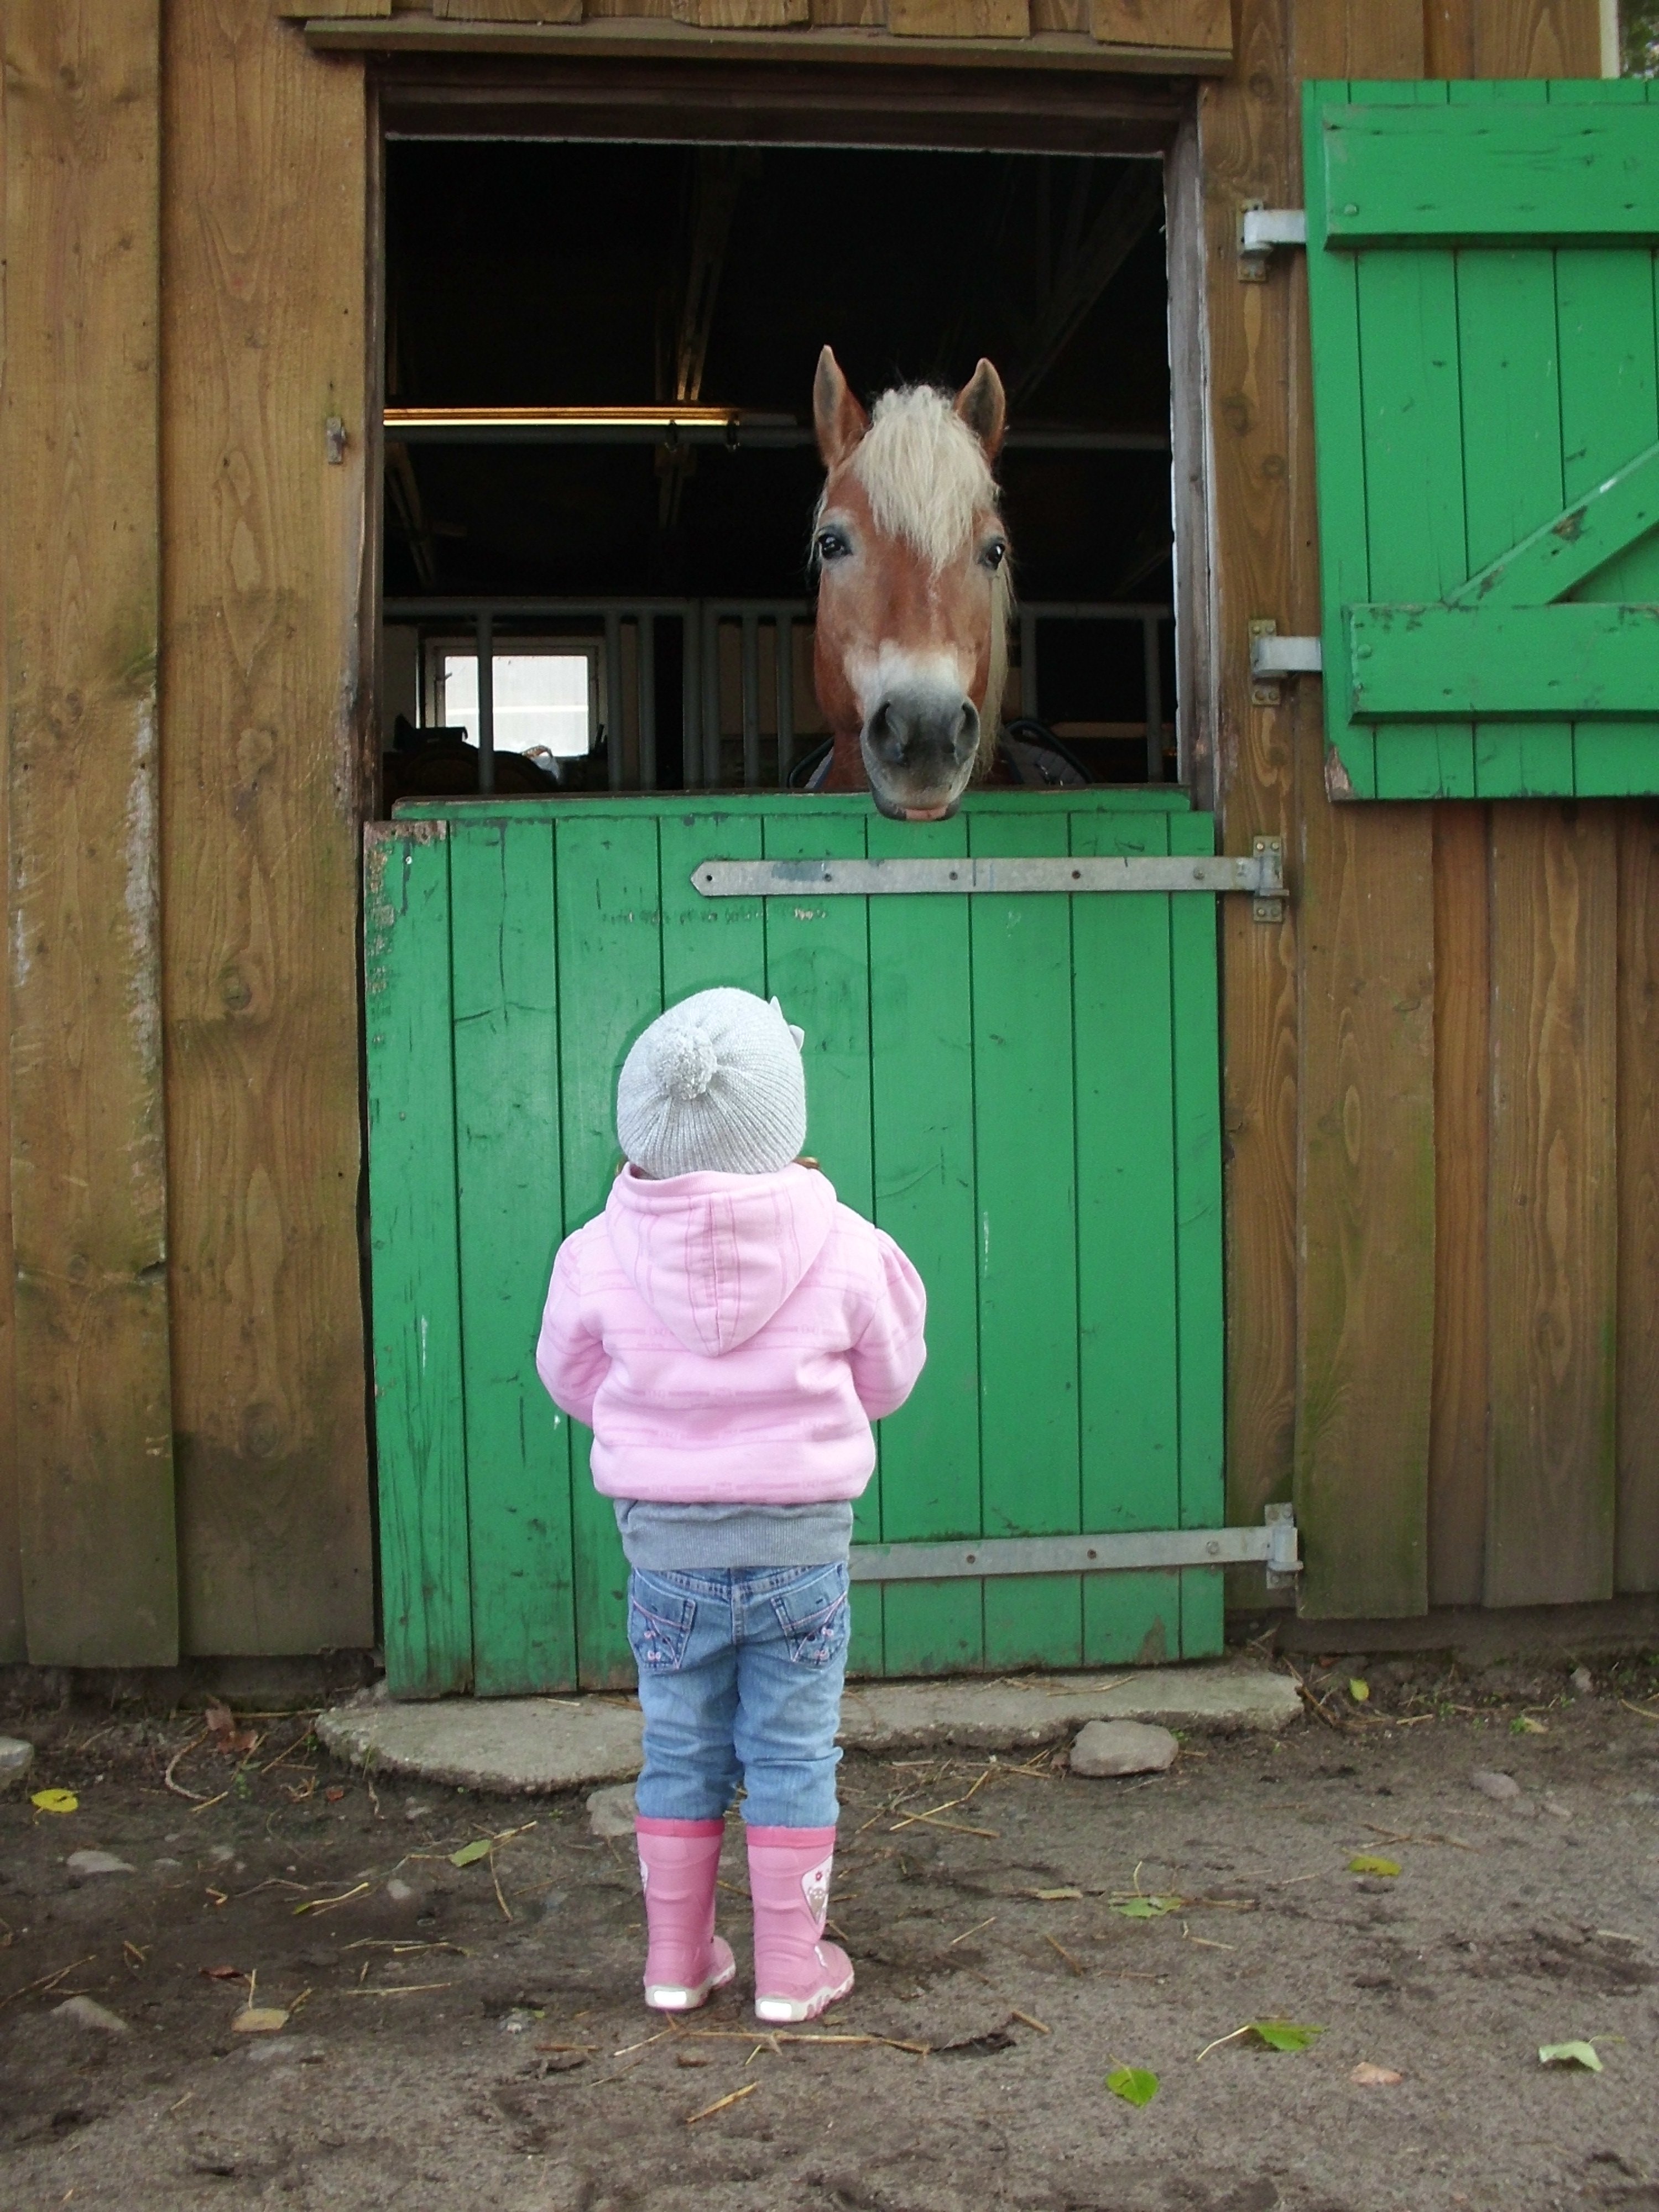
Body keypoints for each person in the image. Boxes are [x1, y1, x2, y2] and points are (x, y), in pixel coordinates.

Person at [536, 988, 926, 2024]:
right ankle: (792, 1975)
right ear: (783, 1118)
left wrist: (659, 1424)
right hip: (803, 1553)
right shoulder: (849, 1246)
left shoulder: (595, 1253)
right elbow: (888, 1380)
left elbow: (572, 1383)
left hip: (668, 1558)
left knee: (680, 1749)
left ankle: (676, 1962)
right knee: (793, 1754)